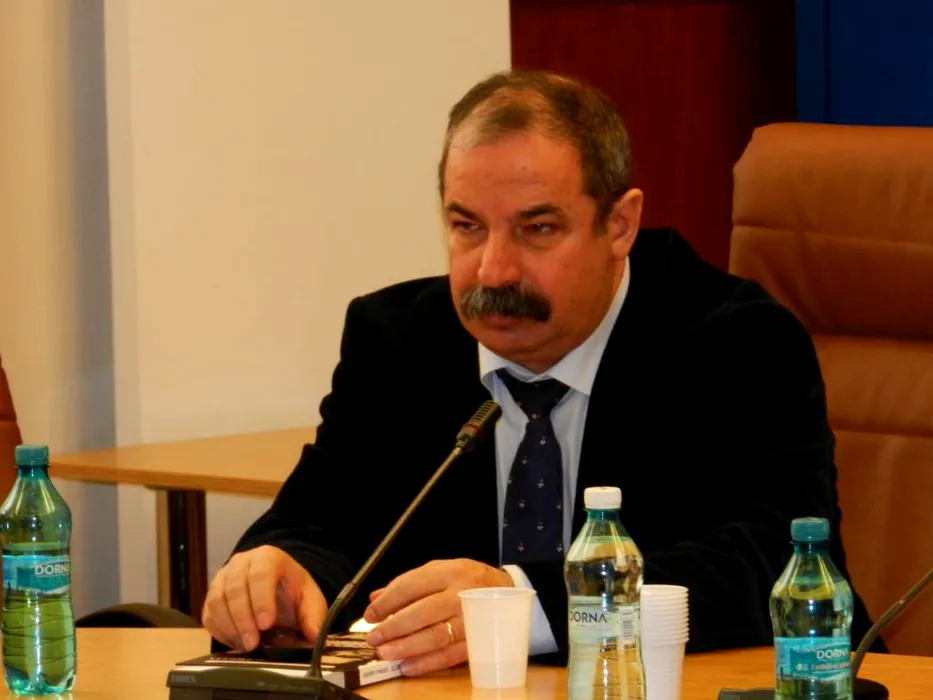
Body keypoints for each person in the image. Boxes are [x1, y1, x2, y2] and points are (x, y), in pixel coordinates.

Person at [202, 69, 876, 675]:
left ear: (619, 225)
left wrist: (522, 606)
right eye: (466, 226)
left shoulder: (735, 341)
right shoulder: (397, 340)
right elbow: (324, 515)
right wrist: (279, 568)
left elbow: (776, 563)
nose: (493, 271)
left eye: (537, 229)